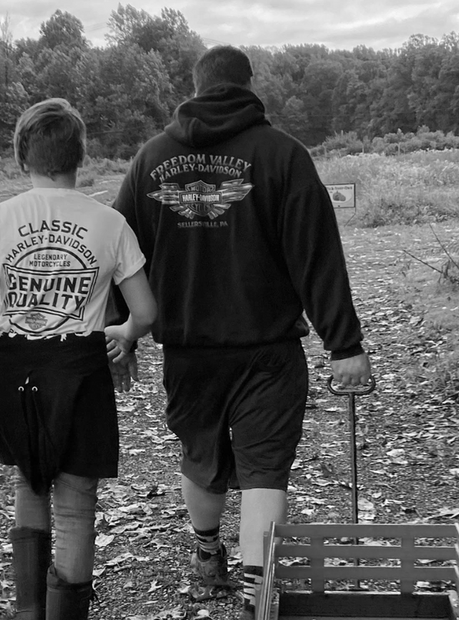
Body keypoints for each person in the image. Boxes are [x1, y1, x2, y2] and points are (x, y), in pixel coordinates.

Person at [109, 45, 373, 618]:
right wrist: (343, 345)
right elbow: (317, 255)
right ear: (249, 87)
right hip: (268, 352)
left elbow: (117, 249)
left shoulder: (150, 160)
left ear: (196, 88)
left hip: (187, 351)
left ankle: (208, 560)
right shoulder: (282, 155)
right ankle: (260, 597)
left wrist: (120, 331)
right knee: (263, 472)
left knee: (200, 457)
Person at [0, 98, 156, 620]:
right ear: (80, 156)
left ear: (22, 158)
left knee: (29, 481)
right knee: (77, 504)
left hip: (16, 367)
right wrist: (122, 332)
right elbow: (147, 311)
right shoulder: (109, 223)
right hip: (81, 366)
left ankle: (28, 612)